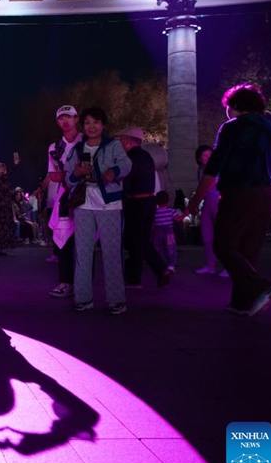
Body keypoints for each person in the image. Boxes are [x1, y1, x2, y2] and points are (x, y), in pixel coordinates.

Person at [188, 83, 271, 317]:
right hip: (266, 192)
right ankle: (242, 303)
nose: (226, 112)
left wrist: (195, 199)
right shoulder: (269, 127)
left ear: (235, 106)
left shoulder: (231, 127)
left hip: (239, 192)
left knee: (223, 244)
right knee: (248, 249)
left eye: (227, 107)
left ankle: (262, 285)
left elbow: (214, 166)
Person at [64, 107, 132, 315]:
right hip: (84, 205)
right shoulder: (77, 150)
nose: (91, 127)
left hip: (109, 205)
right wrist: (76, 172)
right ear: (82, 126)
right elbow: (68, 178)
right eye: (87, 123)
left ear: (103, 125)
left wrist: (114, 172)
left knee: (111, 252)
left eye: (95, 122)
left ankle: (116, 300)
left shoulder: (113, 146)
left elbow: (126, 164)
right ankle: (83, 298)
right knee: (82, 252)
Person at [116, 126, 171, 289]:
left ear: (126, 141)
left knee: (136, 241)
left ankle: (157, 271)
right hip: (148, 202)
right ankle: (136, 276)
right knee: (140, 241)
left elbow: (126, 183)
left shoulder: (129, 158)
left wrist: (121, 202)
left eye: (121, 140)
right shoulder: (147, 157)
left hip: (135, 204)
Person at [45, 105, 83, 298]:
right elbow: (53, 175)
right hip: (65, 197)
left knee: (85, 242)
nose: (65, 121)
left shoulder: (87, 141)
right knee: (63, 241)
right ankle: (65, 282)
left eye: (69, 117)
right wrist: (61, 175)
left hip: (88, 197)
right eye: (61, 118)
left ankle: (84, 286)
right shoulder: (55, 147)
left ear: (76, 119)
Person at [192, 145, 227, 276]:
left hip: (217, 201)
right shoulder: (200, 170)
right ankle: (210, 265)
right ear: (199, 159)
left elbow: (209, 186)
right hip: (207, 202)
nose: (208, 158)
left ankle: (229, 267)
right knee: (207, 236)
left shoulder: (217, 169)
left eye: (210, 155)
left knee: (222, 236)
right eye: (204, 156)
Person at [0, 153, 20, 256]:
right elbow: (4, 192)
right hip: (1, 207)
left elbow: (10, 173)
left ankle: (0, 248)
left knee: (5, 227)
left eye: (3, 166)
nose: (3, 168)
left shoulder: (3, 179)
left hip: (6, 206)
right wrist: (13, 193)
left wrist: (15, 164)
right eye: (0, 167)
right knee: (0, 228)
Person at [153, 191, 187, 273]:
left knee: (159, 249)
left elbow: (152, 223)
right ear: (168, 201)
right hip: (169, 232)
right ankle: (171, 265)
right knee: (171, 248)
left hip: (157, 232)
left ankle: (162, 264)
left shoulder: (155, 212)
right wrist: (185, 213)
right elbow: (178, 219)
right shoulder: (171, 211)